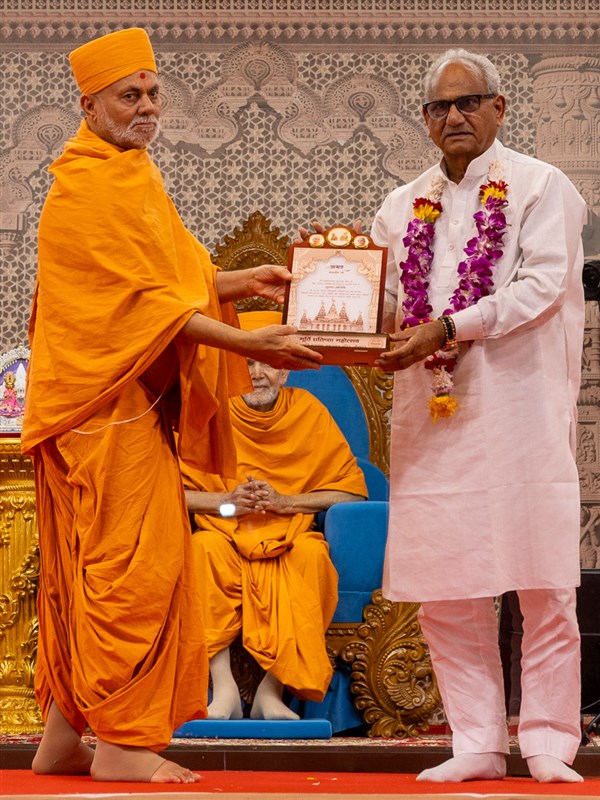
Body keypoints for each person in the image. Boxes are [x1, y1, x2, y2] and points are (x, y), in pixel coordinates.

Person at [21, 29, 322, 784]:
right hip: (99, 406)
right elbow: (143, 306)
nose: (148, 106)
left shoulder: (132, 173)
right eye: (131, 95)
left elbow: (171, 283)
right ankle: (121, 743)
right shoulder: (85, 186)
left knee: (92, 570)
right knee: (137, 571)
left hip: (123, 401)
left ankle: (61, 737)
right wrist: (254, 345)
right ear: (88, 103)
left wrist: (238, 282)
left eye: (154, 92)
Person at [372, 48, 586, 784]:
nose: (455, 117)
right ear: (426, 120)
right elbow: (390, 305)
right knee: (447, 586)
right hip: (437, 419)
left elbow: (540, 288)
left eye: (470, 103)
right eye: (440, 107)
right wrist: (335, 303)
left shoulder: (542, 188)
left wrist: (447, 328)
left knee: (544, 583)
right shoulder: (401, 206)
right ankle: (477, 742)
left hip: (520, 412)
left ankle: (551, 741)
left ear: (500, 108)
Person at [180, 310, 368, 721]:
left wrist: (286, 503)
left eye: (270, 363)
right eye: (248, 362)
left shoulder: (308, 411)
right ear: (231, 366)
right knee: (202, 548)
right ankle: (224, 688)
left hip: (289, 532)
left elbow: (352, 493)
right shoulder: (210, 413)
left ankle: (271, 690)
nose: (258, 373)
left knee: (311, 557)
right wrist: (227, 502)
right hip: (226, 531)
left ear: (286, 371)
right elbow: (168, 490)